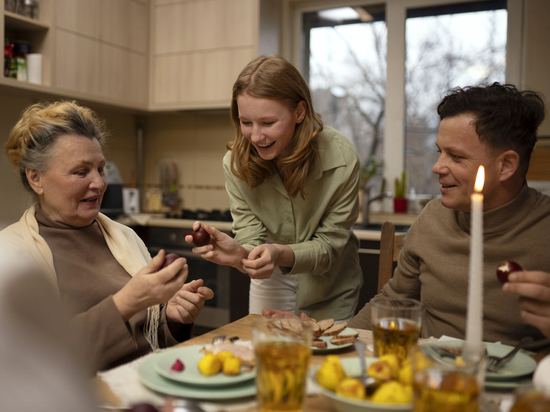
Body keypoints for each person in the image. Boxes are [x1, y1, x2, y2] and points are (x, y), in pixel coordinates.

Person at [266, 83, 550, 348]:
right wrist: (329, 338)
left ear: (506, 166)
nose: (437, 167)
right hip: (424, 375)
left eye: (457, 156)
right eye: (440, 152)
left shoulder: (544, 229)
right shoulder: (433, 218)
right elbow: (393, 300)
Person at [0, 101, 214, 371]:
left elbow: (147, 339)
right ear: (36, 178)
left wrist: (173, 319)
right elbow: (43, 362)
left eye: (100, 169)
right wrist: (128, 301)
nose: (100, 183)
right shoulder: (10, 256)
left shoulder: (123, 236)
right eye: (81, 172)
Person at [185, 55, 363, 321]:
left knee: (324, 359)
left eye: (268, 123)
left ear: (299, 112)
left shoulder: (341, 159)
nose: (256, 136)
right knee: (266, 352)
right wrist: (240, 254)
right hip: (272, 277)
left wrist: (279, 252)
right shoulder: (235, 163)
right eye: (246, 123)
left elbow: (329, 247)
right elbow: (251, 238)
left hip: (329, 284)